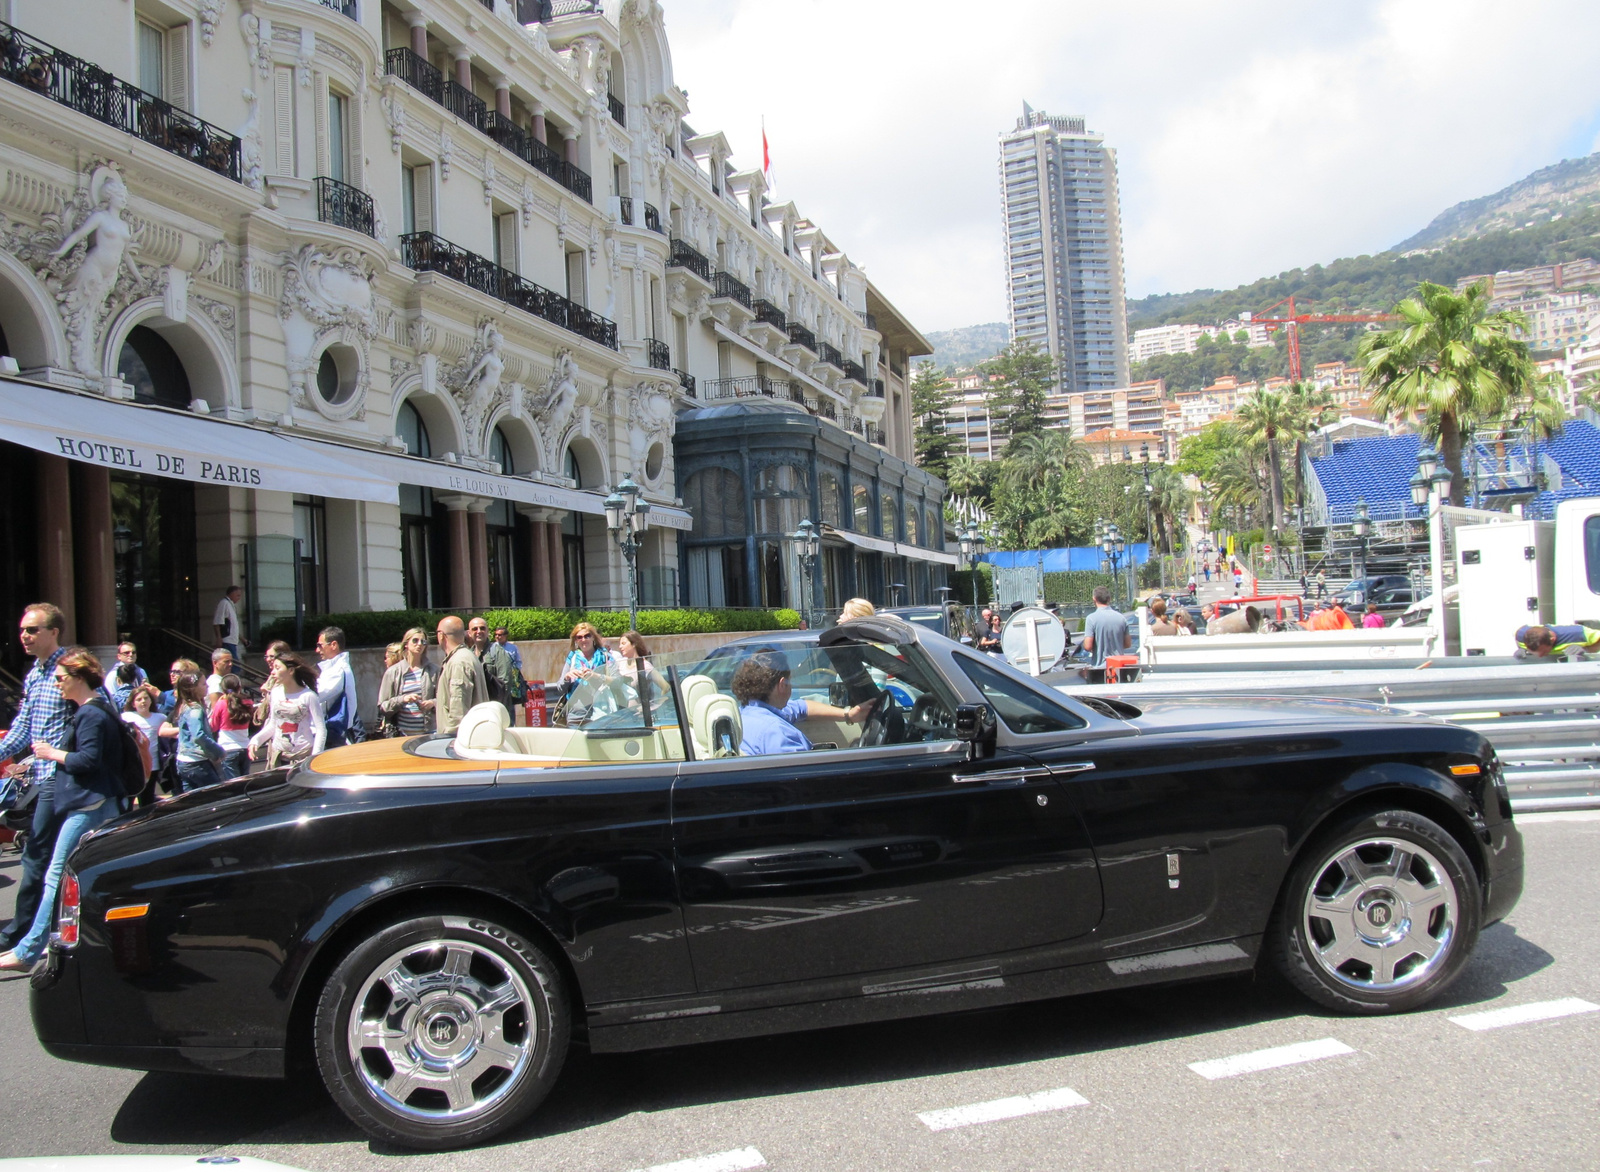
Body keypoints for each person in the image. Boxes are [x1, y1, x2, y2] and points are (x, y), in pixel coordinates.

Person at [0, 648, 125, 973]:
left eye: (60, 679)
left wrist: (51, 753)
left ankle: (27, 951)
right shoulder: (96, 708)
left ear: (78, 678)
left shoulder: (90, 714)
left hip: (90, 803)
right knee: (87, 874)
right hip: (99, 801)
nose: (56, 684)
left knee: (57, 874)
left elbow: (88, 759)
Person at [0, 604, 73, 954]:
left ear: (54, 632)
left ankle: (19, 935)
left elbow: (98, 714)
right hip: (43, 779)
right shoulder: (35, 674)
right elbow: (23, 729)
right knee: (49, 857)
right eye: (22, 630)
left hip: (64, 780)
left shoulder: (70, 670)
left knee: (37, 856)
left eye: (32, 630)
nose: (24, 636)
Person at [730, 652, 876, 756]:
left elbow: (802, 707)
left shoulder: (747, 713)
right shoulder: (778, 734)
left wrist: (848, 715)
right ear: (782, 685)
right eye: (789, 681)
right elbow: (805, 780)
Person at [249, 650, 326, 767]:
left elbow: (321, 729)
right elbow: (273, 725)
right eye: (273, 668)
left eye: (277, 668)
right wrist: (256, 740)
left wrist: (314, 757)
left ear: (291, 670)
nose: (273, 672)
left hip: (302, 757)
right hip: (279, 757)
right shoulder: (275, 693)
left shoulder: (308, 696)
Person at [161, 671, 224, 794]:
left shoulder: (184, 706)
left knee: (192, 800)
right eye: (203, 684)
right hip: (197, 763)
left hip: (183, 762)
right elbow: (198, 736)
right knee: (217, 795)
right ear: (193, 689)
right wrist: (218, 751)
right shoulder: (195, 710)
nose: (207, 686)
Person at [378, 627, 439, 737]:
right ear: (406, 644)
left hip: (428, 731)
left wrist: (432, 703)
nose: (419, 644)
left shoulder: (434, 670)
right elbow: (383, 706)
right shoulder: (393, 672)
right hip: (402, 732)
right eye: (415, 641)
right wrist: (403, 699)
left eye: (423, 641)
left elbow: (444, 699)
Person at [435, 616, 487, 736]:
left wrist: (450, 737)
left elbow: (458, 705)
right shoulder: (465, 656)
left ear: (442, 635)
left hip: (460, 740)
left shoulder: (459, 662)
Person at [558, 621, 615, 725]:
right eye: (579, 637)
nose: (583, 640)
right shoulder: (573, 658)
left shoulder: (605, 656)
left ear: (593, 637)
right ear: (575, 640)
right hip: (576, 715)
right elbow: (560, 687)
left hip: (602, 712)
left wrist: (596, 676)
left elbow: (617, 680)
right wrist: (567, 678)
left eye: (587, 636)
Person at [315, 626, 362, 747]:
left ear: (334, 645)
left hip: (337, 732)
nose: (317, 650)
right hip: (334, 731)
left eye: (320, 645)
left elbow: (318, 694)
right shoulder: (333, 668)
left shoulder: (339, 670)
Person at [469, 616, 520, 721]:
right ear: (469, 633)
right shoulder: (469, 654)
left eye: (482, 628)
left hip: (496, 712)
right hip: (477, 711)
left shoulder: (497, 652)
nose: (479, 631)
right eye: (475, 629)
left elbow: (505, 683)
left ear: (487, 632)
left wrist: (497, 710)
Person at [121, 683, 165, 806]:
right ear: (133, 703)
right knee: (129, 799)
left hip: (152, 765)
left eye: (146, 698)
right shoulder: (126, 717)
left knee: (147, 800)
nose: (143, 701)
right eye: (139, 699)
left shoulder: (160, 718)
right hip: (134, 765)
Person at [211, 675, 254, 779]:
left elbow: (214, 727)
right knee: (244, 781)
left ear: (223, 689)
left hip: (227, 749)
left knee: (233, 784)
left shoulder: (221, 704)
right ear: (239, 687)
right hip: (245, 747)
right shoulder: (248, 703)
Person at [1081, 586, 1128, 668]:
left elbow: (1088, 646)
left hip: (1099, 667)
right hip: (1118, 667)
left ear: (1094, 599)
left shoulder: (1091, 618)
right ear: (1109, 599)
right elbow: (1127, 644)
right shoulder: (1121, 618)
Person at [101, 642, 148, 709]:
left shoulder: (141, 671)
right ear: (119, 656)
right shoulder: (113, 675)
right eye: (126, 653)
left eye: (133, 652)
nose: (131, 655)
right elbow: (112, 697)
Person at [1514, 623, 1600, 659]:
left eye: (1544, 652)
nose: (1540, 657)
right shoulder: (1521, 636)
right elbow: (1518, 641)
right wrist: (1522, 650)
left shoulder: (1578, 633)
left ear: (1552, 640)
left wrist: (1586, 650)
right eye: (1533, 652)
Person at [213, 584, 245, 661]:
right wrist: (219, 638)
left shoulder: (231, 605)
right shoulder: (224, 603)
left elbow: (233, 627)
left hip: (232, 640)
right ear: (232, 594)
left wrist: (243, 639)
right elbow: (217, 621)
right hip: (227, 640)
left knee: (233, 663)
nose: (239, 598)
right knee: (233, 664)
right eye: (238, 595)